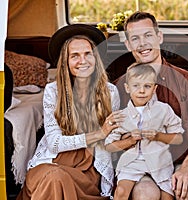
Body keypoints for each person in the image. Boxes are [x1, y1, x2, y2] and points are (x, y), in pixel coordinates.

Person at [17, 24, 125, 200]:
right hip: (51, 161)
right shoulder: (53, 91)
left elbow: (112, 140)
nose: (83, 61)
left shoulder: (110, 92)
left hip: (88, 167)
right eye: (75, 56)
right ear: (65, 62)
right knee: (54, 178)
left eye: (87, 54)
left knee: (57, 180)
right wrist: (100, 133)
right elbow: (54, 143)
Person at [113, 11, 188, 200]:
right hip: (138, 164)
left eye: (148, 35)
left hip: (180, 162)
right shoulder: (118, 87)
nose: (142, 44)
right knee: (145, 194)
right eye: (135, 38)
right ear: (128, 45)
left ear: (159, 37)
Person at [105, 63, 184, 200]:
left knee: (167, 197)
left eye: (147, 86)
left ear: (154, 89)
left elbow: (178, 138)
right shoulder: (121, 115)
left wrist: (159, 136)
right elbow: (109, 146)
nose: (142, 91)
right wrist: (129, 141)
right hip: (131, 163)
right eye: (136, 86)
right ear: (127, 88)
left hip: (160, 162)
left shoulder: (164, 110)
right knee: (121, 191)